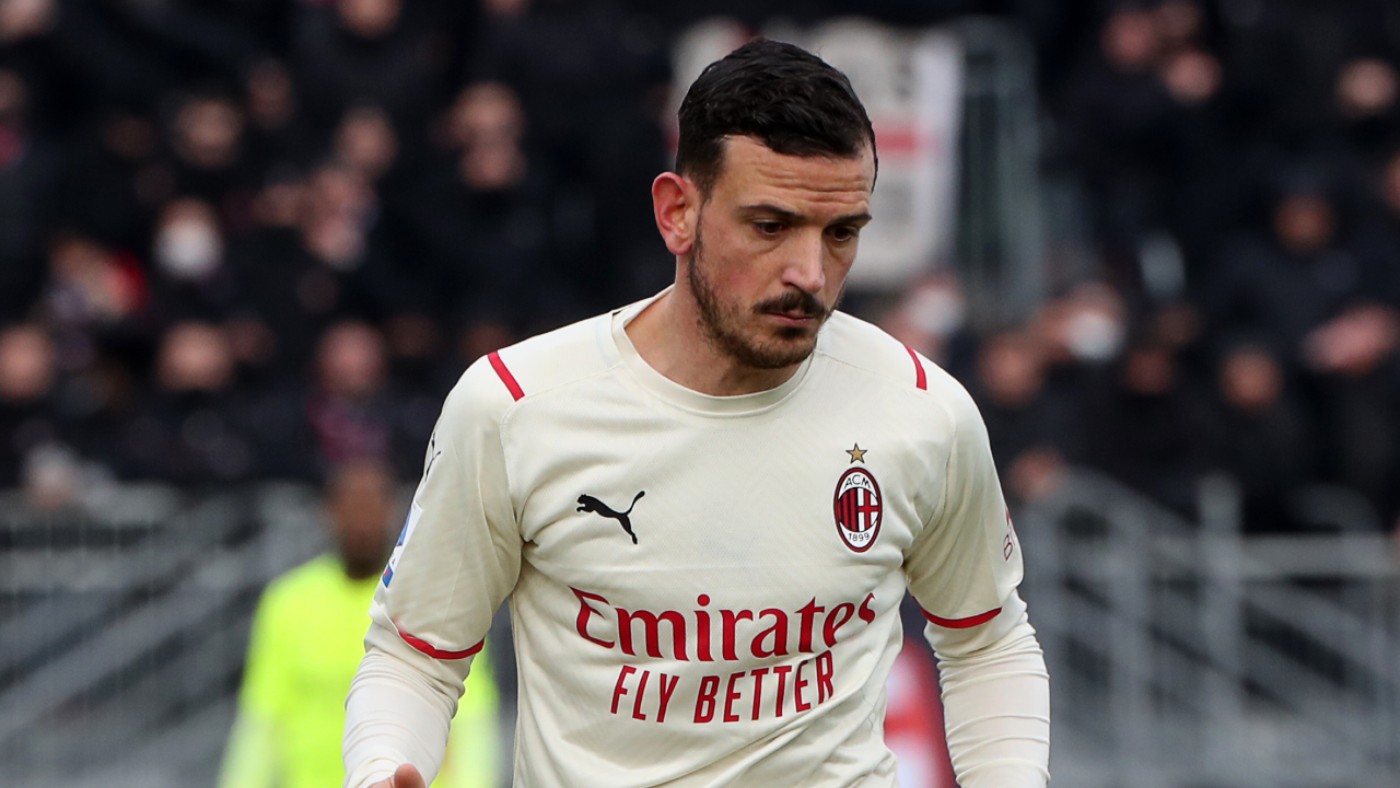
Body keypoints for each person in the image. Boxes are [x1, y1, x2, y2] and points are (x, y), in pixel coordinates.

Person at [343, 38, 1050, 788]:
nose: (810, 274)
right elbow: (415, 655)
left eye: (841, 232)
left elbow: (989, 640)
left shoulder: (923, 411)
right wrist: (382, 769)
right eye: (770, 226)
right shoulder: (514, 408)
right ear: (677, 213)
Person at [221, 459, 500, 788]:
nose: (362, 521)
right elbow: (261, 723)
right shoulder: (288, 603)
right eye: (352, 507)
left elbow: (471, 722)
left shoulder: (433, 601)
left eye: (372, 507)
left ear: (394, 512)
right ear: (330, 511)